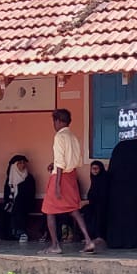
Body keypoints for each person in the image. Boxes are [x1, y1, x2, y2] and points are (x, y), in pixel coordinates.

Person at [41, 109, 97, 254]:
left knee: (49, 210)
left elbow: (61, 162)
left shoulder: (59, 137)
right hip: (72, 176)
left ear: (58, 121)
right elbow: (75, 160)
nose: (54, 124)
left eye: (54, 121)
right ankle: (88, 241)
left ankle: (55, 245)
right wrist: (54, 164)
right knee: (74, 210)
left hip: (60, 177)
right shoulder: (73, 137)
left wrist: (57, 185)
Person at [100, 140, 137, 249]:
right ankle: (130, 242)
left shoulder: (119, 148)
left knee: (116, 216)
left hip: (116, 191)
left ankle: (115, 241)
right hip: (134, 192)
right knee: (131, 217)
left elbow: (111, 171)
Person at [0, 155, 36, 242]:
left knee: (18, 207)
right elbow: (6, 194)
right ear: (14, 166)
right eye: (20, 163)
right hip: (11, 203)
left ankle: (21, 233)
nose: (23, 165)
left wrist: (17, 200)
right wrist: (9, 202)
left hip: (25, 204)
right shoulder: (10, 179)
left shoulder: (28, 178)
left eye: (24, 163)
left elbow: (30, 195)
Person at [80, 160, 108, 241]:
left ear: (101, 169)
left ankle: (99, 236)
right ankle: (90, 236)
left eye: (97, 168)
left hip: (103, 205)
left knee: (98, 212)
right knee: (86, 211)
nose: (94, 170)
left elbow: (102, 196)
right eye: (93, 168)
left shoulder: (104, 179)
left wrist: (88, 202)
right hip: (94, 204)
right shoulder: (94, 179)